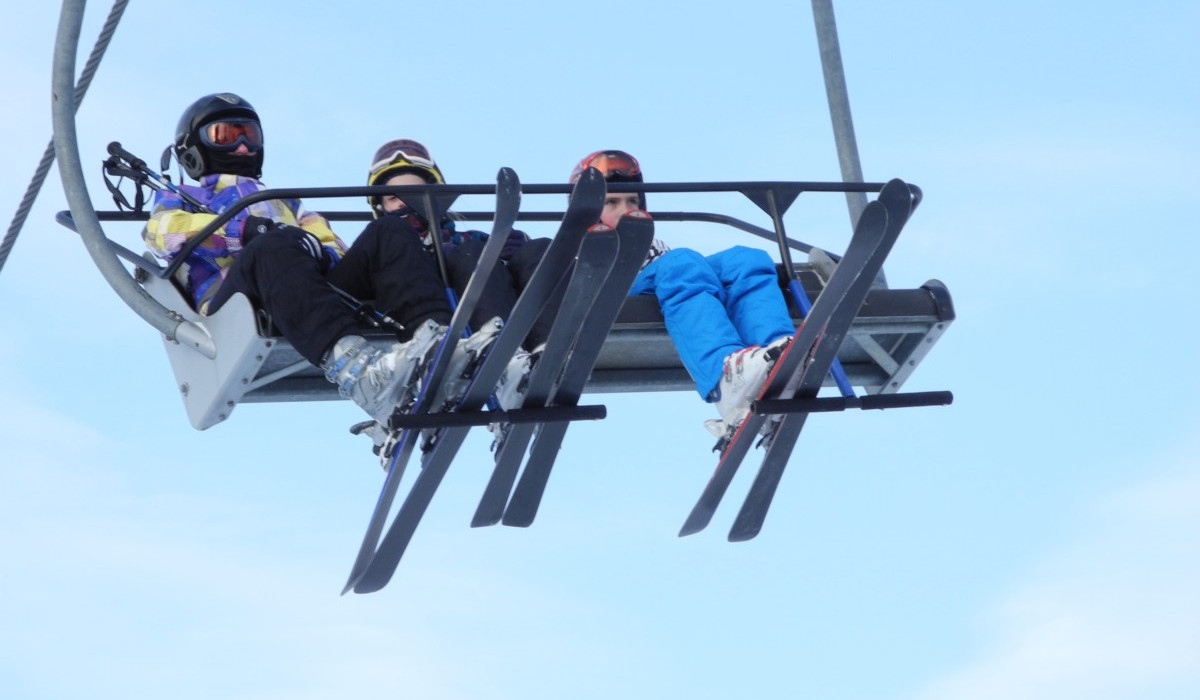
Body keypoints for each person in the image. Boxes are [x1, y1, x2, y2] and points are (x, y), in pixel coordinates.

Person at [142, 93, 475, 428]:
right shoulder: (182, 198)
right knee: (272, 244)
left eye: (250, 135)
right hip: (237, 300)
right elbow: (162, 232)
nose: (242, 146)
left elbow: (332, 246)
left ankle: (437, 345)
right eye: (226, 136)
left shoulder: (287, 203)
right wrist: (242, 231)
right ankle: (355, 369)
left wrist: (315, 249)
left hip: (301, 283)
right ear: (194, 148)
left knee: (389, 228)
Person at [570, 150, 795, 436]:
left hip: (666, 274)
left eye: (633, 201)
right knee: (682, 261)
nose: (625, 209)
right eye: (611, 202)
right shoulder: (580, 251)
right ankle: (724, 375)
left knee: (746, 259)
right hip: (624, 291)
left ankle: (778, 354)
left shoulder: (658, 251)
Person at [365, 138, 561, 411]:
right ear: (380, 207)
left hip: (487, 297)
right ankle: (503, 364)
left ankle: (546, 358)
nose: (404, 203)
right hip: (432, 315)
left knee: (532, 249)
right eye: (393, 197)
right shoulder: (381, 251)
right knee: (468, 253)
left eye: (414, 193)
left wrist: (514, 247)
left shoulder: (468, 241)